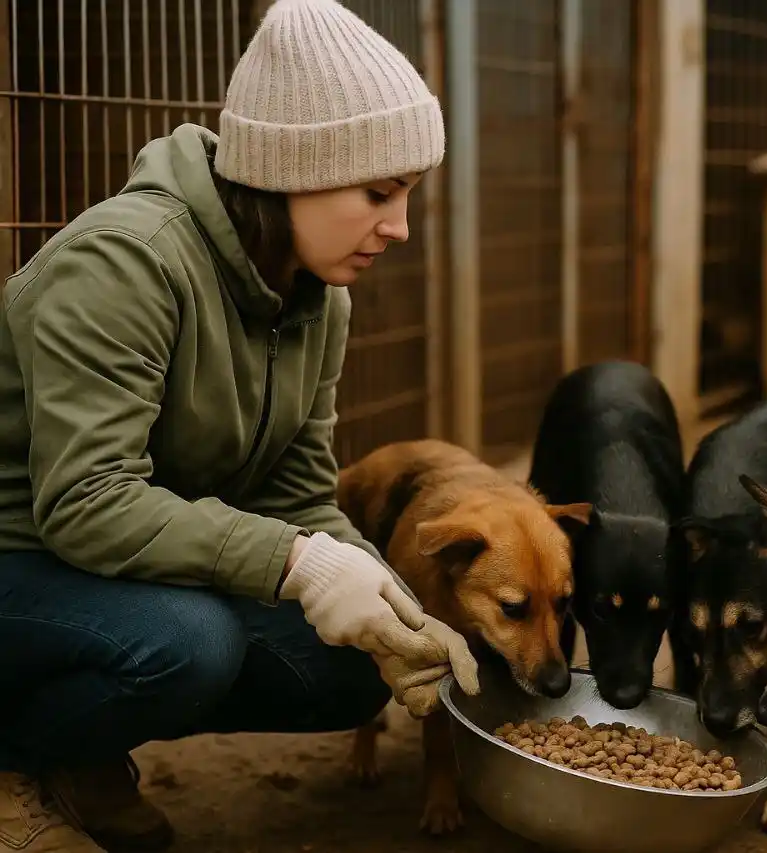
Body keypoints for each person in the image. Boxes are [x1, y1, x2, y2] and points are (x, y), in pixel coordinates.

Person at [0, 1, 481, 850]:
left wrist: (392, 603)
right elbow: (86, 501)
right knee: (188, 643)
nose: (400, 227)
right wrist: (296, 562)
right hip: (22, 553)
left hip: (109, 567)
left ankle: (77, 755)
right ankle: (16, 767)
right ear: (294, 167)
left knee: (345, 668)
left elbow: (298, 492)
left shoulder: (317, 298)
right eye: (379, 192)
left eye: (407, 195)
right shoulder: (125, 264)